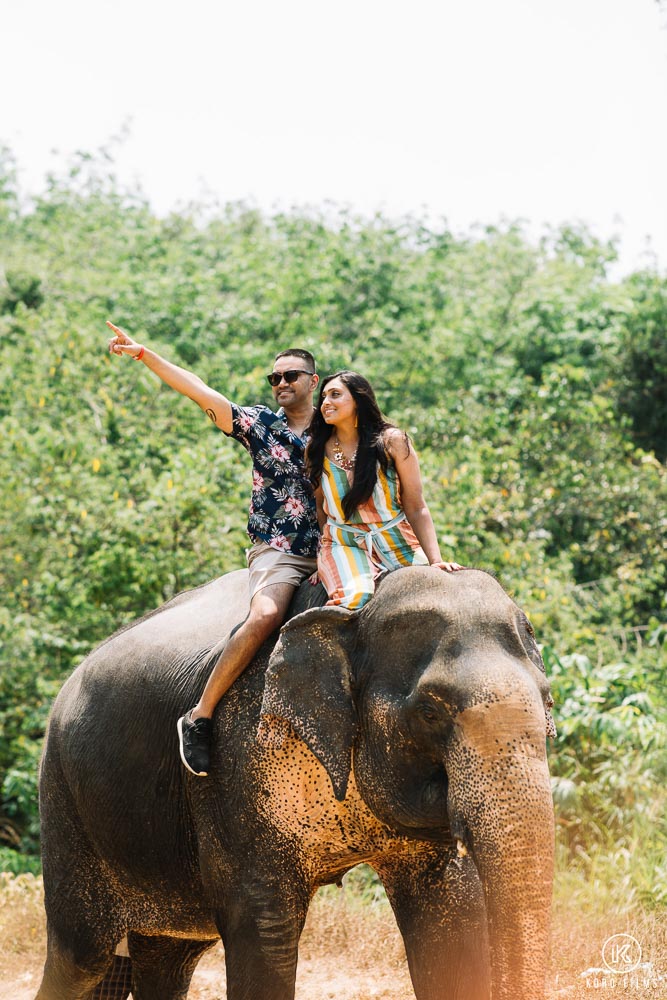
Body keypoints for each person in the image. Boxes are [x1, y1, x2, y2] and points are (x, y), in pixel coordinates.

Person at [106, 320, 320, 776]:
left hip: (336, 548)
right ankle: (200, 714)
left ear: (313, 382)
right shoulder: (262, 424)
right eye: (274, 377)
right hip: (280, 548)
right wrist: (145, 354)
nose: (281, 383)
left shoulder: (337, 426)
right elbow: (200, 392)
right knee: (264, 616)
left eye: (290, 376)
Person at [305, 371, 463, 610]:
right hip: (344, 544)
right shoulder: (317, 449)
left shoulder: (392, 442)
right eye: (324, 397)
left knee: (438, 596)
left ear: (358, 400)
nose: (325, 403)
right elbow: (320, 508)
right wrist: (326, 562)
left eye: (335, 395)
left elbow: (416, 506)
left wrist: (436, 561)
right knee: (356, 598)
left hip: (398, 541)